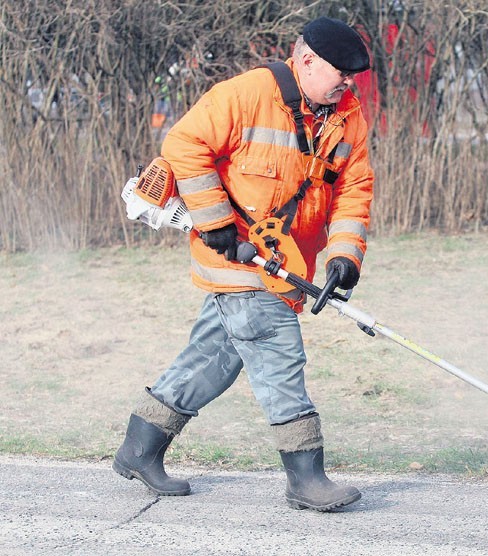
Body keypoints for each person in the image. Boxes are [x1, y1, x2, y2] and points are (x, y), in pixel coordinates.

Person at [113, 16, 374, 512]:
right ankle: (306, 478)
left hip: (285, 259)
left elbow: (353, 191)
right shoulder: (246, 94)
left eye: (352, 76)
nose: (347, 82)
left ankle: (139, 448)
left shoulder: (347, 117)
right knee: (279, 355)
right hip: (238, 260)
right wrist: (215, 225)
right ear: (305, 60)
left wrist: (344, 257)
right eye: (340, 72)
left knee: (215, 357)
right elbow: (184, 146)